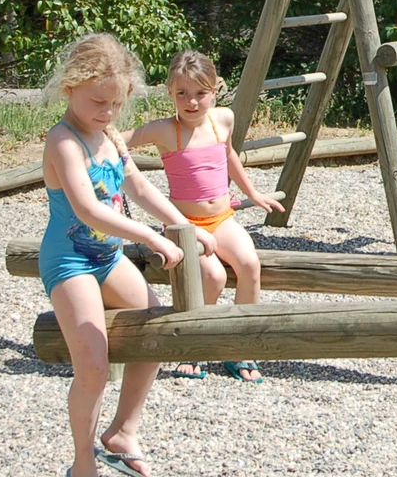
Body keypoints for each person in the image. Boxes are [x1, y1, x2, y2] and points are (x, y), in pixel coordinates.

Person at [40, 33, 213, 477]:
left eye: (116, 104)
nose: (107, 112)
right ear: (70, 89)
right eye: (99, 102)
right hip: (71, 261)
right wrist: (152, 237)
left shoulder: (111, 137)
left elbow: (138, 187)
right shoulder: (63, 141)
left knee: (153, 332)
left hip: (107, 258)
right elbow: (88, 208)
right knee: (94, 365)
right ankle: (82, 462)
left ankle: (122, 431)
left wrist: (184, 228)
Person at [127, 50, 282, 382]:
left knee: (250, 264)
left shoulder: (223, 119)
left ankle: (239, 345)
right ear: (169, 92)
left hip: (222, 218)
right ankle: (196, 343)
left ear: (215, 91)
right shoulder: (163, 130)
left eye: (200, 93)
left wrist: (253, 193)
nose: (192, 102)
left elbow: (228, 156)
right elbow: (117, 142)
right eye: (182, 93)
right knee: (213, 276)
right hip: (184, 226)